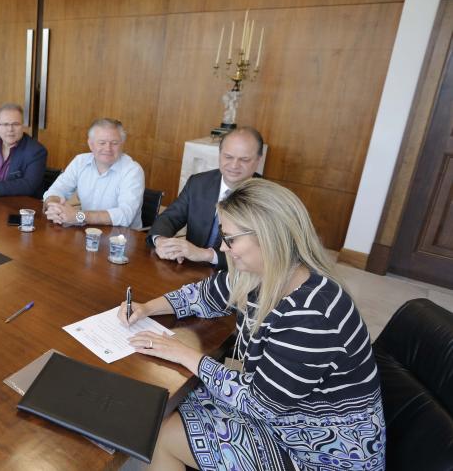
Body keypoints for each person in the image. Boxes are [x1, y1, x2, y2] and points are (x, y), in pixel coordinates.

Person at [119, 179, 385, 471]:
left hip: (321, 452)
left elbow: (261, 404)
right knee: (166, 409)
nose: (222, 247)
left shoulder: (312, 314)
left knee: (165, 436)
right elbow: (202, 295)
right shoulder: (264, 274)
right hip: (288, 420)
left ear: (268, 237)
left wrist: (184, 353)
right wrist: (146, 308)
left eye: (230, 238)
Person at [149, 126, 264, 267]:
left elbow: (262, 255)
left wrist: (206, 255)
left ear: (258, 160)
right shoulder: (198, 183)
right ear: (219, 154)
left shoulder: (268, 198)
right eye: (228, 157)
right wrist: (161, 241)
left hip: (238, 278)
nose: (234, 165)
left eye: (244, 160)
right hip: (190, 269)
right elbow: (169, 218)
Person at [42, 118, 145, 228]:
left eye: (114, 143)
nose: (108, 148)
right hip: (87, 231)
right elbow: (56, 190)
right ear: (91, 144)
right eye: (102, 143)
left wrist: (79, 216)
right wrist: (53, 207)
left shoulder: (133, 171)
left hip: (121, 238)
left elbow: (125, 215)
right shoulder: (80, 161)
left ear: (122, 144)